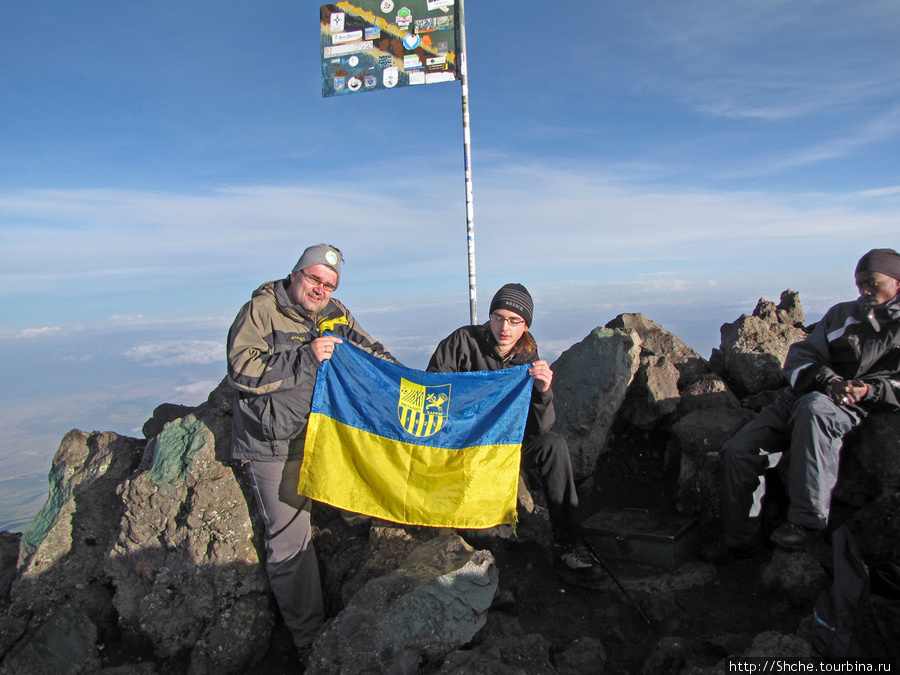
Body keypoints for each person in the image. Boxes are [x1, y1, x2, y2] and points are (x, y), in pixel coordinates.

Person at [226, 244, 396, 651]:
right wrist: (305, 357)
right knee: (290, 542)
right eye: (314, 279)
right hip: (275, 443)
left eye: (329, 284)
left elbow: (371, 353)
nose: (321, 289)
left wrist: (406, 383)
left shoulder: (335, 313)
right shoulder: (262, 311)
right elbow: (241, 371)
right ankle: (308, 640)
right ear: (296, 273)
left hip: (325, 434)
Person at [710, 248, 900, 560]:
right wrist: (828, 380)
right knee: (738, 451)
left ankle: (804, 524)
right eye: (859, 283)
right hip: (801, 396)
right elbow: (800, 356)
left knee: (815, 409)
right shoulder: (843, 314)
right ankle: (739, 542)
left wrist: (868, 390)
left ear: (897, 282)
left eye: (872, 283)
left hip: (847, 405)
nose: (864, 290)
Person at [426, 283, 604, 579]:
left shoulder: (528, 359)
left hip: (506, 447)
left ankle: (568, 543)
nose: (504, 327)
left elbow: (539, 428)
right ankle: (481, 570)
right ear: (490, 316)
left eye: (514, 320)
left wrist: (544, 391)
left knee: (553, 444)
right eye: (498, 317)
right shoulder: (462, 342)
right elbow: (433, 388)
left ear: (525, 325)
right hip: (462, 445)